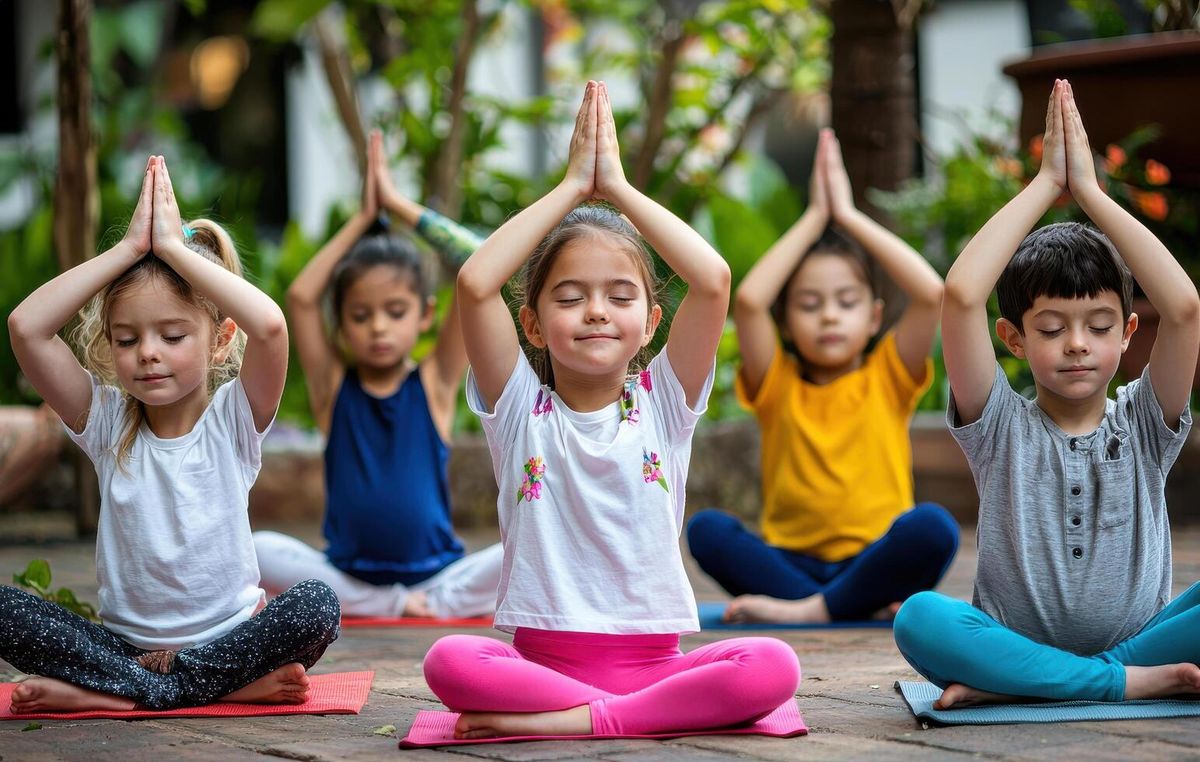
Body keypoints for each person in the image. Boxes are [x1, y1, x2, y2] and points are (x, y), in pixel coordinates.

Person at [418, 81, 800, 740]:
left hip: (654, 665)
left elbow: (711, 280)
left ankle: (577, 722)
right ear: (532, 327)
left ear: (650, 323)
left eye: (619, 296)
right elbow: (476, 283)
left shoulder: (664, 405)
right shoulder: (519, 411)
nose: (596, 310)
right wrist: (571, 187)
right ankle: (611, 718)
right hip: (541, 664)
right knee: (449, 660)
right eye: (569, 298)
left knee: (771, 664)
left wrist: (617, 189)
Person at [894, 80, 1200, 708]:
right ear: (1013, 339)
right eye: (1053, 329)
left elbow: (1186, 307)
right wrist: (1044, 186)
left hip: (1142, 642)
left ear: (1128, 333)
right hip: (1010, 638)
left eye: (1099, 327)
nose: (1078, 345)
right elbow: (961, 295)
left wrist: (1091, 192)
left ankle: (1040, 681)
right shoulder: (999, 425)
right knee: (920, 617)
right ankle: (1107, 684)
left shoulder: (1144, 423)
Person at [1, 156, 339, 713]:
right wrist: (128, 251)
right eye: (128, 339)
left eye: (173, 335)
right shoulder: (106, 422)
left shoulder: (235, 418)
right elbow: (26, 328)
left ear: (220, 340)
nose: (149, 353)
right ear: (109, 345)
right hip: (125, 647)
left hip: (227, 642)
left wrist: (177, 252)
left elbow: (272, 327)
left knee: (315, 606)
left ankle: (121, 693)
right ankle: (181, 688)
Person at [688, 129, 957, 624]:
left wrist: (849, 217)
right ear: (786, 322)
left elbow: (930, 292)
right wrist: (814, 218)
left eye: (846, 302)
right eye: (810, 305)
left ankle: (810, 610)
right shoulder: (776, 382)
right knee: (706, 530)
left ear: (875, 317)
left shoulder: (889, 374)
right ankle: (844, 607)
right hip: (790, 561)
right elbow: (748, 301)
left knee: (934, 529)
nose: (829, 316)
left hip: (874, 558)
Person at [253, 130, 501, 619]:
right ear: (341, 323)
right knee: (258, 547)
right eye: (361, 315)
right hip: (347, 573)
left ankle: (422, 601)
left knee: (528, 539)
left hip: (440, 571)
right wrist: (363, 219)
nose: (379, 327)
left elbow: (479, 262)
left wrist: (398, 205)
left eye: (395, 311)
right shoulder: (332, 387)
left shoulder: (437, 382)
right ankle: (398, 604)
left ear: (426, 315)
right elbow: (303, 297)